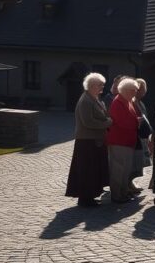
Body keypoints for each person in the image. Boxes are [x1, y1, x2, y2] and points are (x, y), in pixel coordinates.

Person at [65, 72, 112, 207]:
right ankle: (85, 198)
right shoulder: (86, 100)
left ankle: (90, 195)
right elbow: (88, 122)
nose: (103, 87)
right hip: (87, 141)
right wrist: (108, 123)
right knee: (86, 170)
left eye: (103, 84)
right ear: (91, 86)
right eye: (100, 84)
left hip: (95, 140)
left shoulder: (94, 98)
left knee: (93, 170)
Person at [106, 77, 141, 203]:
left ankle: (123, 193)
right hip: (119, 141)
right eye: (134, 90)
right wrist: (137, 121)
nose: (135, 93)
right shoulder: (118, 102)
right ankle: (117, 196)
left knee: (125, 170)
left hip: (127, 141)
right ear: (125, 90)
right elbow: (122, 122)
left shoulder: (127, 101)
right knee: (118, 170)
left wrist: (136, 120)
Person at [130, 78, 152, 194]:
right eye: (141, 89)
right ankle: (130, 183)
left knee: (141, 160)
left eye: (144, 89)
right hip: (136, 136)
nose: (143, 92)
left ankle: (131, 182)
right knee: (136, 160)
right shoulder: (132, 102)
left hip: (143, 136)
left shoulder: (140, 102)